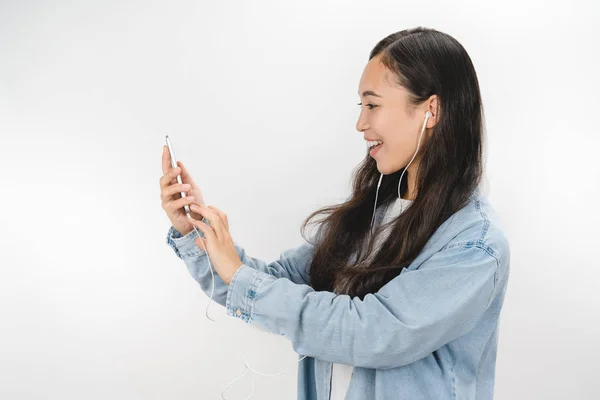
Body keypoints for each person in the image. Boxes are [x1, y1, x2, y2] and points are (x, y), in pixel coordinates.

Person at [160, 26, 510, 400]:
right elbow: (274, 283)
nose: (361, 124)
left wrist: (240, 275)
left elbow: (372, 333)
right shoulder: (371, 215)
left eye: (373, 105)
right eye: (361, 107)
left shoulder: (474, 245)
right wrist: (195, 231)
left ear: (431, 109)